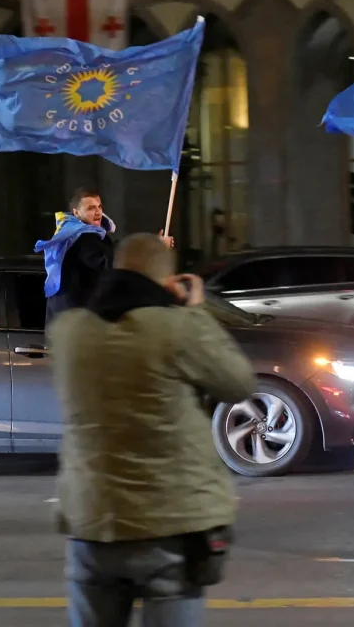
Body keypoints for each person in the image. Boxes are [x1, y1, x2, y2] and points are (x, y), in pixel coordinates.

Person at [50, 234, 257, 627]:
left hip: (92, 524)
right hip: (169, 527)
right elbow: (239, 383)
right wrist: (193, 312)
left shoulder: (68, 332)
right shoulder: (175, 329)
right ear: (168, 281)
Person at [37, 186, 175, 325]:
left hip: (67, 314)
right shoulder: (82, 236)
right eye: (90, 208)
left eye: (99, 207)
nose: (98, 212)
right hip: (76, 316)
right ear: (76, 213)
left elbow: (113, 250)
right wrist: (153, 248)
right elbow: (110, 261)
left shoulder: (77, 233)